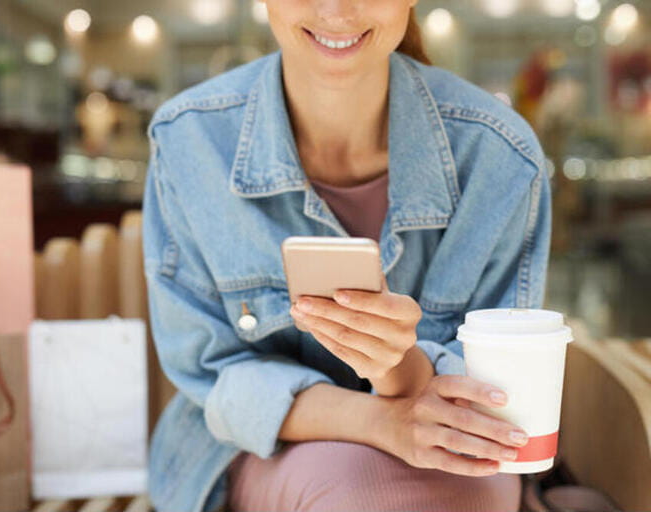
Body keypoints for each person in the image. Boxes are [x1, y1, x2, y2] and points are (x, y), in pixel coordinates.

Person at [141, 1, 551, 511]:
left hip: (449, 439)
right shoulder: (191, 139)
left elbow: (494, 390)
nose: (336, 9)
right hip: (253, 446)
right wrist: (381, 422)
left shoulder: (497, 153)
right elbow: (214, 377)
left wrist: (400, 367)